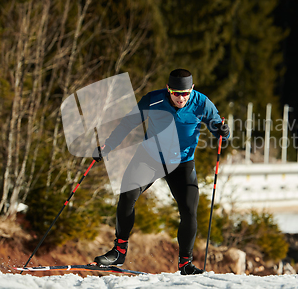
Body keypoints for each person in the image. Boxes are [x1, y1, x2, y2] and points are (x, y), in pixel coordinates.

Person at [90, 69, 229, 275]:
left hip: (182, 164)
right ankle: (119, 252)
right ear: (168, 89)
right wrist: (108, 146)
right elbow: (128, 123)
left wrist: (222, 133)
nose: (181, 98)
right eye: (176, 93)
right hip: (149, 159)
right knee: (127, 196)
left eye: (185, 93)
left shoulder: (202, 103)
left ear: (192, 89)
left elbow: (218, 128)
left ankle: (185, 264)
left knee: (190, 211)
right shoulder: (153, 100)